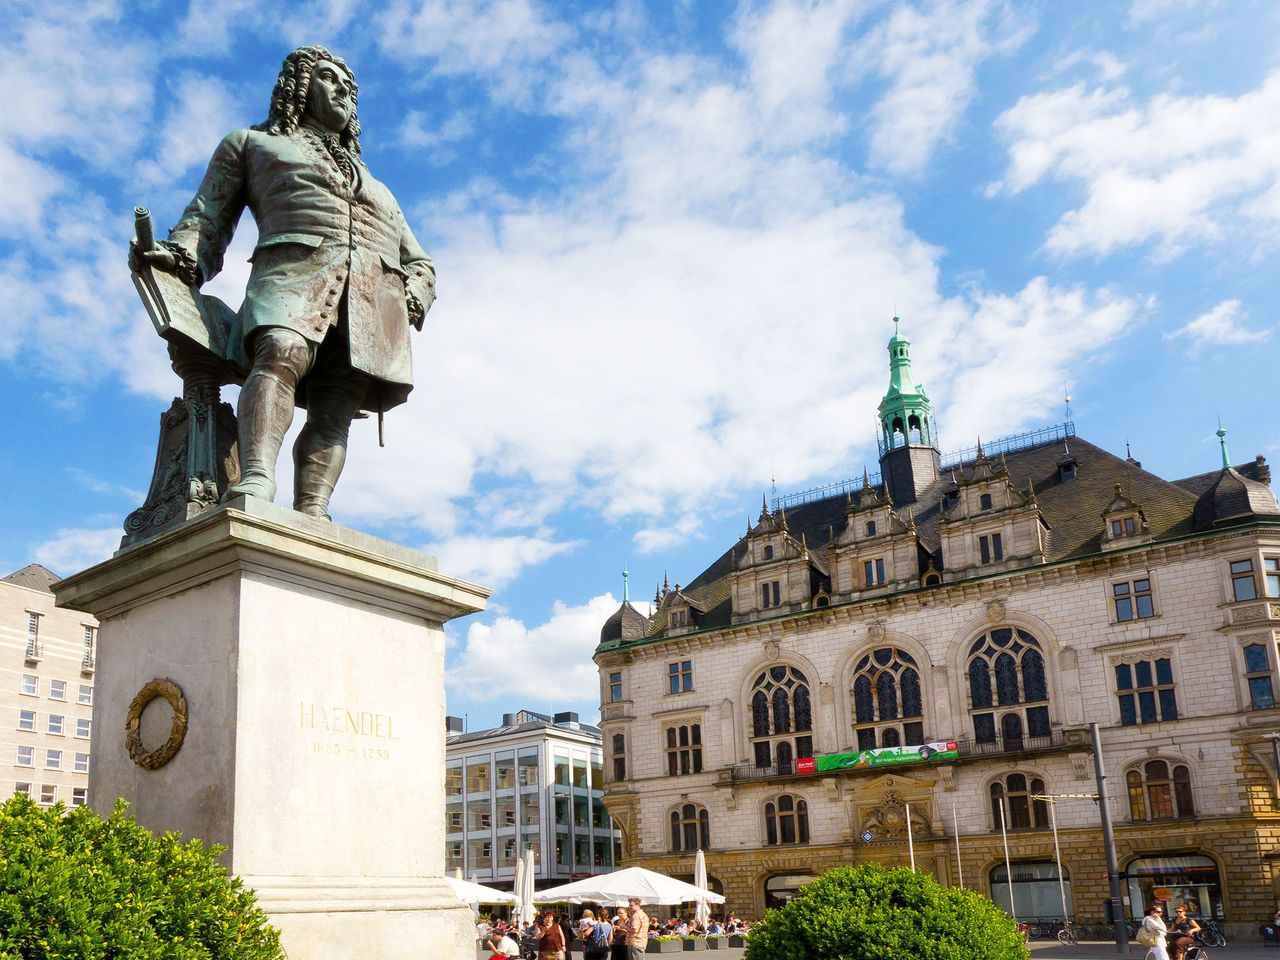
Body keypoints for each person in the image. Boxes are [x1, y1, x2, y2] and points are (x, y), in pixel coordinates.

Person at [135, 45, 436, 519]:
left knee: (338, 404)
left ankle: (314, 509)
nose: (343, 92)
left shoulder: (380, 190)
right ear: (298, 85)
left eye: (349, 87)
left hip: (370, 307)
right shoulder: (252, 144)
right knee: (279, 350)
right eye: (329, 78)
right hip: (292, 279)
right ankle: (256, 476)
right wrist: (178, 256)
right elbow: (207, 219)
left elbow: (420, 261)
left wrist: (413, 295)